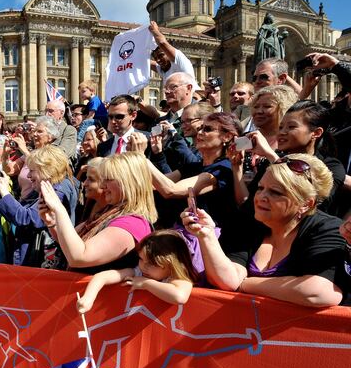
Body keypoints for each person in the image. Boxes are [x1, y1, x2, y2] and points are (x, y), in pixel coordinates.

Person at [182, 154, 344, 307]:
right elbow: (228, 280)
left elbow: (318, 292)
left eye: (276, 192)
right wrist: (206, 235)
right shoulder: (248, 220)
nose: (260, 197)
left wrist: (245, 284)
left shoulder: (328, 228)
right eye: (260, 188)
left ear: (306, 204)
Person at [39, 151, 156, 273]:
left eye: (109, 179)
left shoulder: (132, 224)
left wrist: (59, 209)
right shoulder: (108, 212)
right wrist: (52, 222)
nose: (103, 185)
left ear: (129, 183)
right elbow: (70, 242)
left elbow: (79, 257)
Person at [231, 100, 345, 216]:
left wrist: (272, 157)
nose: (282, 132)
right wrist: (237, 166)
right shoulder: (272, 162)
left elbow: (313, 207)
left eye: (291, 127)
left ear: (316, 133)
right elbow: (248, 207)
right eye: (280, 127)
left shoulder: (331, 167)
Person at [147, 112, 239, 231]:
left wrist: (141, 159)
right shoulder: (193, 166)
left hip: (207, 239)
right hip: (182, 232)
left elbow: (170, 190)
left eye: (208, 129)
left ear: (227, 136)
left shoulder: (223, 169)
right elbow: (156, 184)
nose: (200, 133)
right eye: (200, 128)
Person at [76, 230, 198, 312]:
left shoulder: (178, 279)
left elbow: (179, 297)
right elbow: (103, 277)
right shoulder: (138, 272)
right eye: (141, 259)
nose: (143, 266)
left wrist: (145, 283)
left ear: (172, 265)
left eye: (151, 264)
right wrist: (88, 298)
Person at [0, 146, 77, 267]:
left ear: (47, 169)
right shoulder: (47, 186)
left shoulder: (57, 191)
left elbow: (27, 218)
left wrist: (5, 192)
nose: (28, 176)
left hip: (44, 261)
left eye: (32, 170)